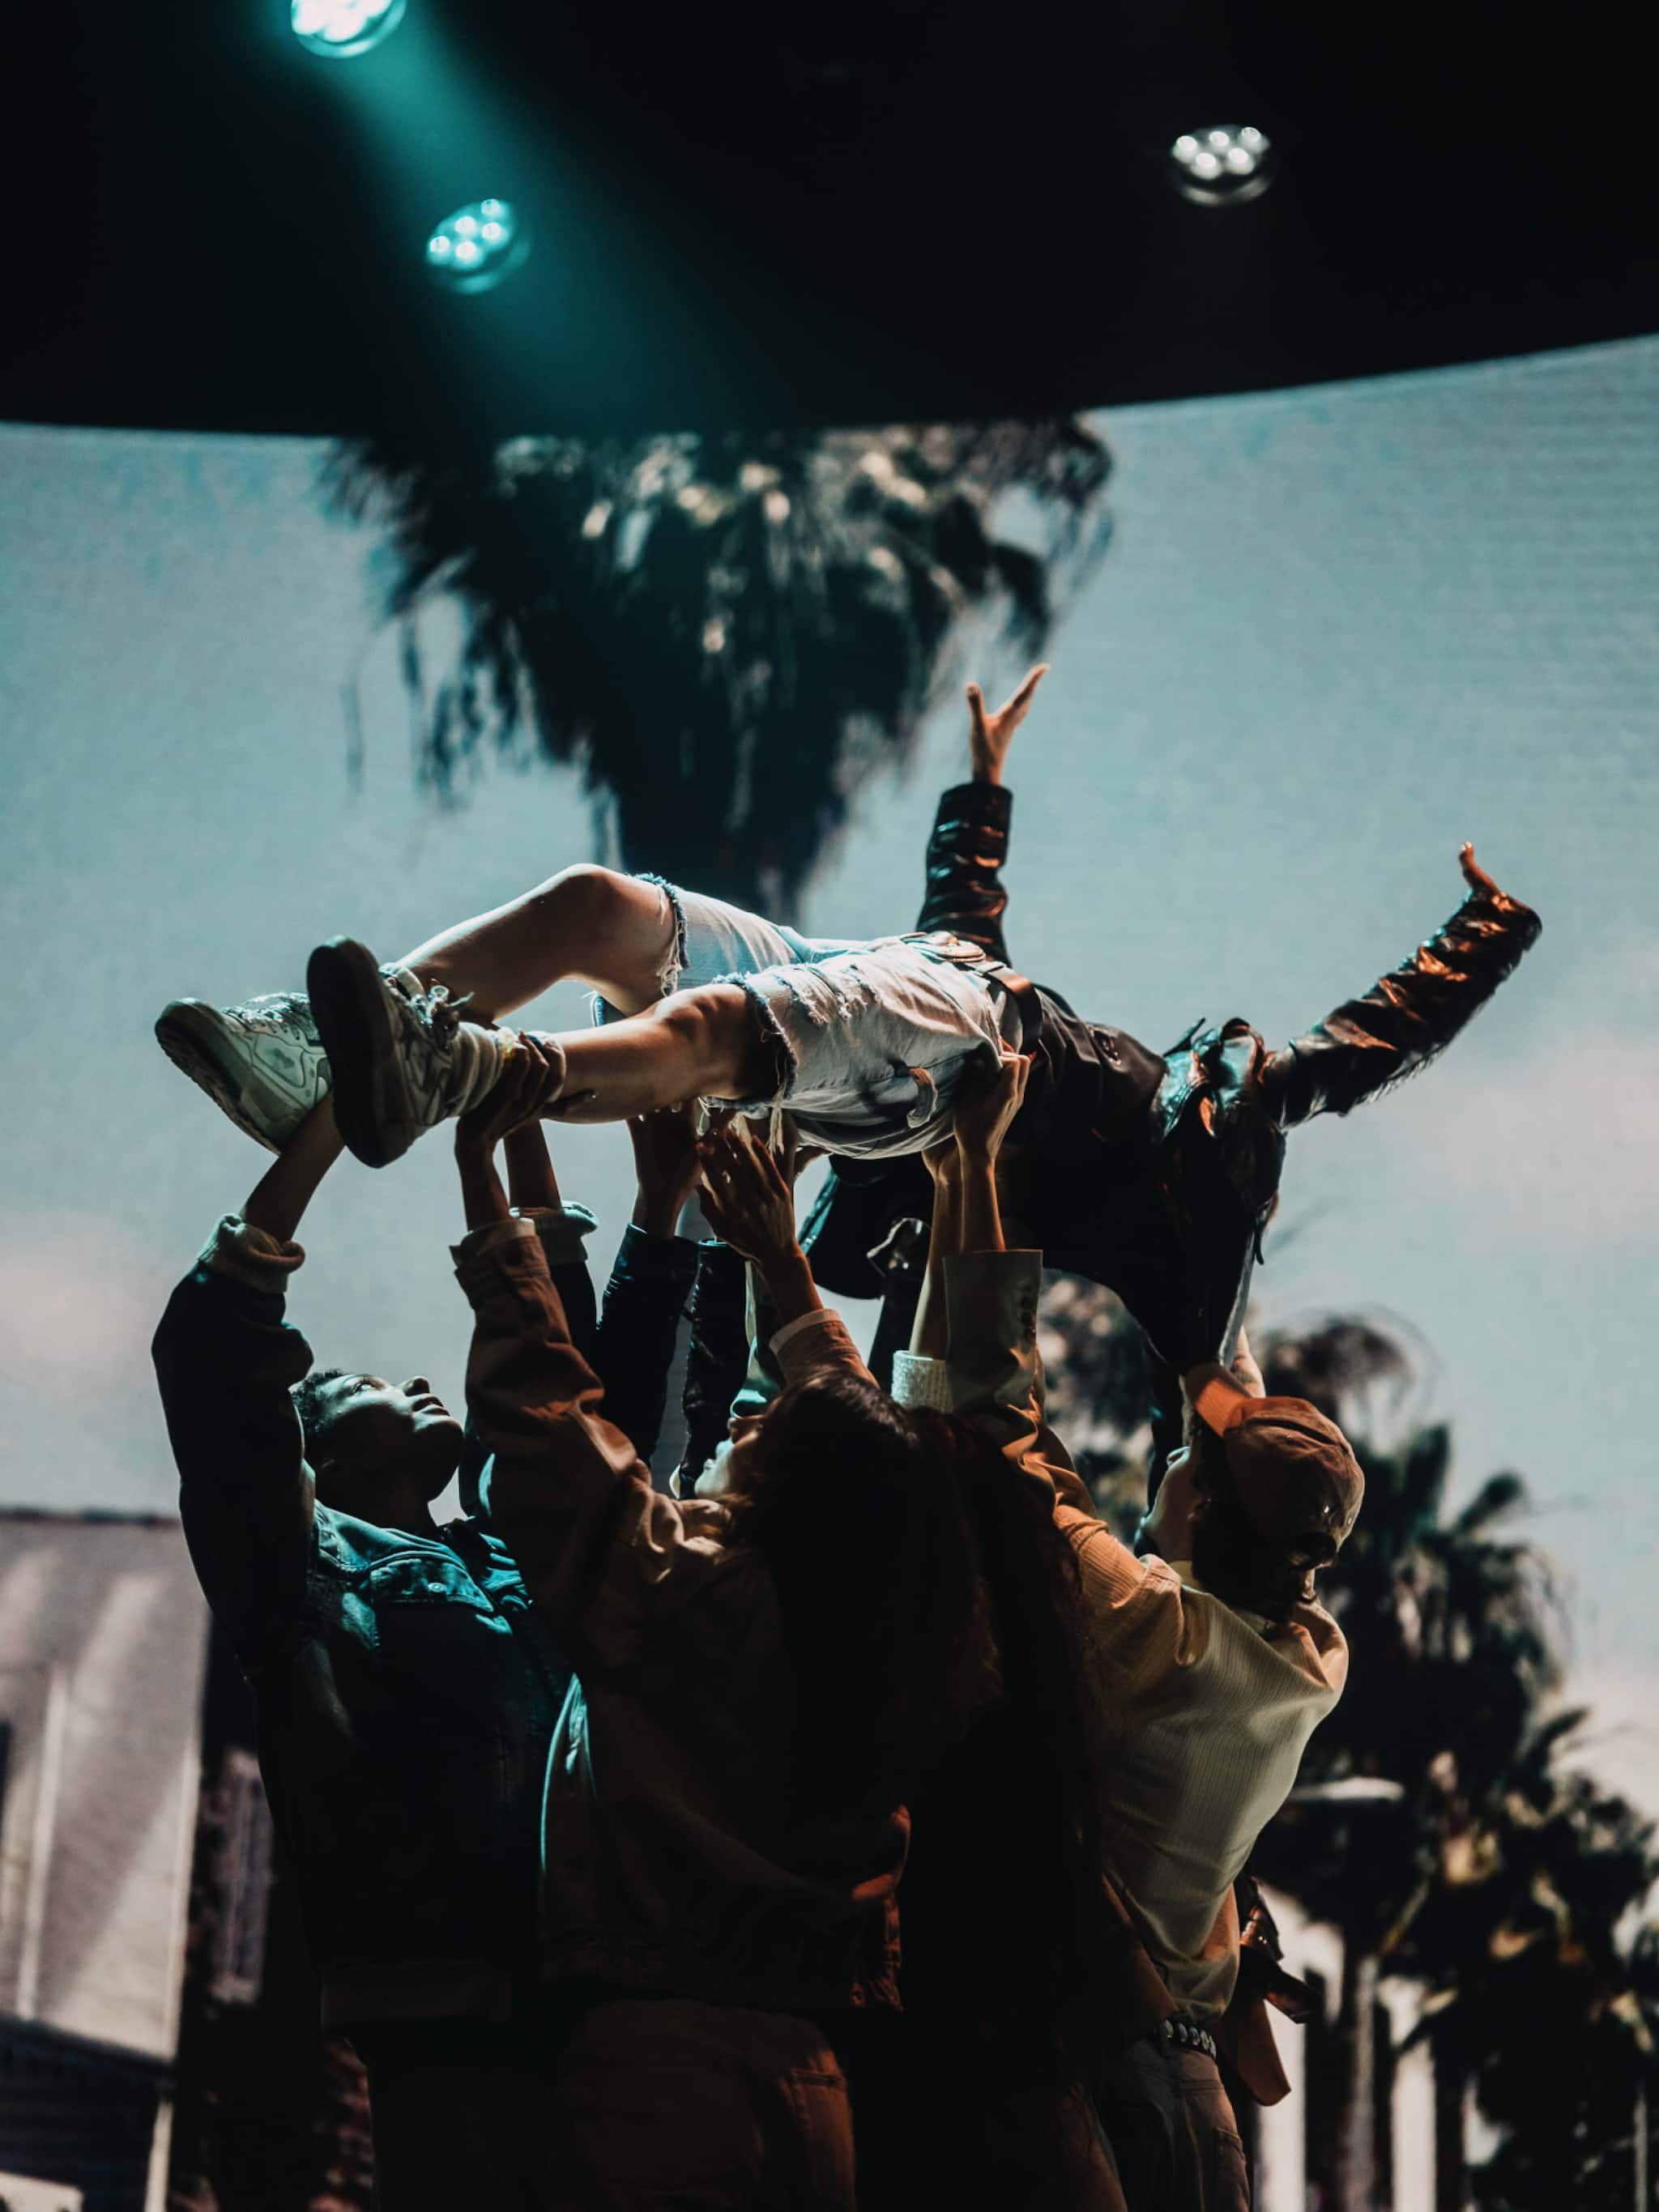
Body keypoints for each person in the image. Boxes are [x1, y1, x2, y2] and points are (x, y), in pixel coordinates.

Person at [154, 668, 1538, 1399]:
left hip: (939, 1076)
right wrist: (983, 780)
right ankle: (333, 1058)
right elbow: (964, 919)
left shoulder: (1187, 1160)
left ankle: (468, 1071)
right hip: (919, 990)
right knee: (599, 906)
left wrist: (1489, 936)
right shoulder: (1047, 1016)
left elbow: (1365, 1041)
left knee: (728, 1028)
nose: (1211, 1052)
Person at [451, 1045, 1033, 2209]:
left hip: (658, 2070)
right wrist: (775, 1251)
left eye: (747, 1440)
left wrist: (481, 1159)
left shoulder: (689, 1585)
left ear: (777, 1488)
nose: (728, 1434)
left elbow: (543, 1413)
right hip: (814, 2086)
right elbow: (873, 1451)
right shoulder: (888, 1612)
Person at [897, 1048, 1361, 2212]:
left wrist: (982, 1165)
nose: (1172, 1459)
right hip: (1200, 2109)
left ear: (1199, 1506)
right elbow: (1224, 1427)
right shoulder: (1308, 1659)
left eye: (1190, 1464)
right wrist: (1205, 1304)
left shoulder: (1153, 1629)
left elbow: (994, 1426)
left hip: (1090, 2091)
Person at [151, 1095, 582, 2209]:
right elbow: (211, 1360)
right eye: (370, 1385)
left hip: (610, 2005)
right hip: (450, 2023)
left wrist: (505, 1126)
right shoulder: (300, 1573)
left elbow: (567, 1368)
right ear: (314, 1453)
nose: (419, 1381)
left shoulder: (509, 1549)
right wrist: (340, 1113)